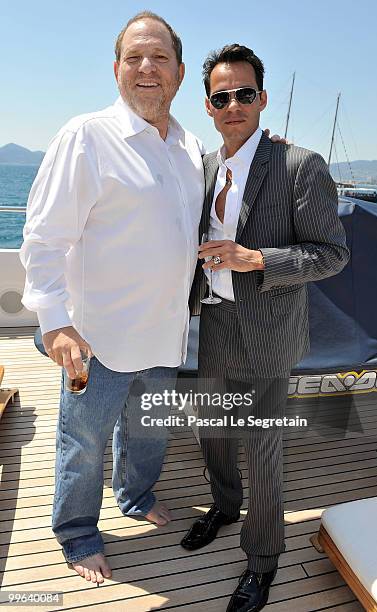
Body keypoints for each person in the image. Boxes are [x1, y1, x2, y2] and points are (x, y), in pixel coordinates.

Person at [20, 12, 206, 583]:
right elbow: (44, 238)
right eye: (134, 57)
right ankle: (76, 533)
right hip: (96, 336)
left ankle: (135, 495)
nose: (147, 68)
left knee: (149, 430)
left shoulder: (190, 146)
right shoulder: (86, 136)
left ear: (178, 72)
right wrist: (55, 323)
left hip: (164, 332)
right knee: (84, 441)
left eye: (160, 58)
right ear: (117, 69)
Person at [182, 45, 350, 612]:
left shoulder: (299, 165)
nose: (234, 105)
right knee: (212, 431)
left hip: (269, 330)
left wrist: (254, 258)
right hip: (217, 320)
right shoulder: (204, 166)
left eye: (244, 94)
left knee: (263, 447)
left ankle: (262, 560)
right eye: (222, 96)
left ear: (262, 99)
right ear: (208, 105)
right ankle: (226, 507)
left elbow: (331, 254)